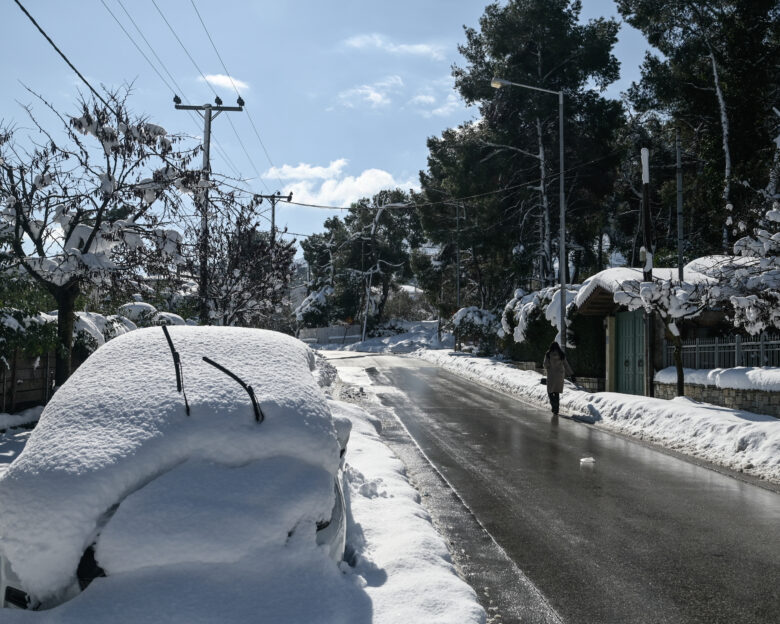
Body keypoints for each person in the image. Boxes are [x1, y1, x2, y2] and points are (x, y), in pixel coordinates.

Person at [543, 341, 575, 416]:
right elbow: (566, 365)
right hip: (560, 376)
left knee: (550, 391)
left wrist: (548, 366)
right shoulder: (561, 354)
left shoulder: (548, 354)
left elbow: (545, 364)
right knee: (556, 392)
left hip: (551, 375)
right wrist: (572, 374)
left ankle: (554, 406)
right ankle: (556, 408)